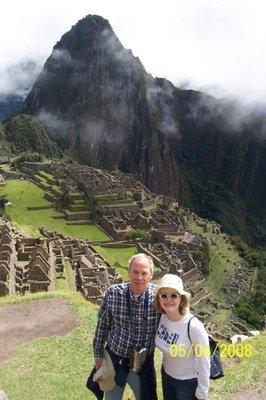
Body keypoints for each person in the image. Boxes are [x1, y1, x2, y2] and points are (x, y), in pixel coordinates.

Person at [93, 253, 159, 400]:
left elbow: (176, 314)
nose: (139, 277)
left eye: (144, 273)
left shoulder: (158, 298)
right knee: (112, 398)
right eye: (135, 271)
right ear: (128, 272)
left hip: (143, 363)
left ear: (151, 276)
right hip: (115, 359)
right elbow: (102, 326)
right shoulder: (113, 293)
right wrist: (98, 356)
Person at [155, 274, 210, 400]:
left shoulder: (193, 326)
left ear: (181, 298)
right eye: (164, 295)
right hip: (167, 375)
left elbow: (204, 361)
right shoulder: (162, 318)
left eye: (174, 295)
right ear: (159, 299)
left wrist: (202, 393)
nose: (168, 299)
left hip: (187, 382)